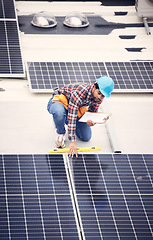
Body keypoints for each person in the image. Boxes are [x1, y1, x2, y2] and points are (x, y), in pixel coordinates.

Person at [47, 76, 114, 157]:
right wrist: (72, 142)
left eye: (102, 96)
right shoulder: (80, 92)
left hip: (75, 107)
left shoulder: (99, 98)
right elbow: (72, 116)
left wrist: (90, 122)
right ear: (94, 87)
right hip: (60, 102)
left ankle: (62, 120)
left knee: (86, 137)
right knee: (59, 113)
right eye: (98, 93)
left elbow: (92, 112)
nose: (99, 97)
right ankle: (60, 130)